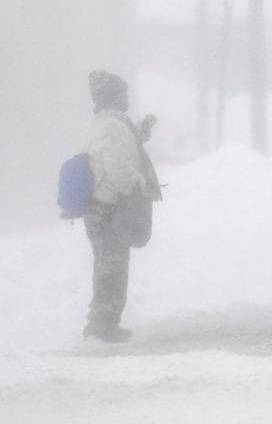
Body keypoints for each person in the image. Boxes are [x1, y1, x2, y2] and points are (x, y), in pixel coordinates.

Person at [82, 69, 161, 342]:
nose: (128, 97)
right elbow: (119, 170)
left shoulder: (105, 123)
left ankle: (102, 323)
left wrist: (141, 131)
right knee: (112, 269)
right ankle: (103, 326)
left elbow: (124, 143)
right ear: (116, 96)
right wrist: (139, 182)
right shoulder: (113, 126)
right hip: (109, 209)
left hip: (99, 208)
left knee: (107, 266)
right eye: (124, 93)